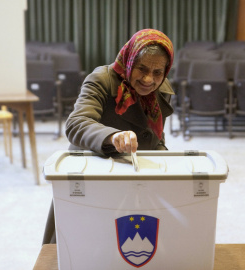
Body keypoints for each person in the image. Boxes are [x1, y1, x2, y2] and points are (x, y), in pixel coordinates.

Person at [42, 29, 175, 244]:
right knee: (81, 246)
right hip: (93, 172)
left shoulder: (162, 88)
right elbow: (76, 124)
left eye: (157, 72)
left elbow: (155, 137)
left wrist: (167, 164)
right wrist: (113, 137)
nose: (149, 79)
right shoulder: (101, 79)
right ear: (130, 60)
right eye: (142, 69)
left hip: (134, 176)